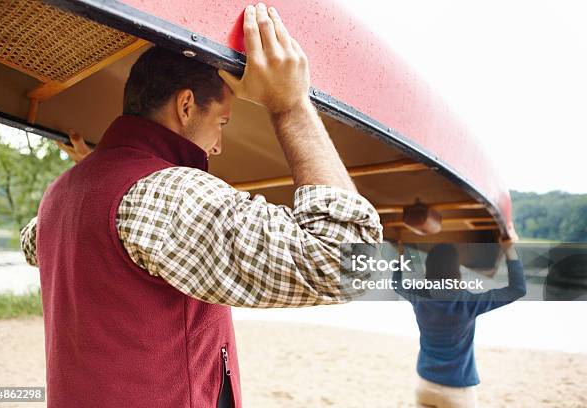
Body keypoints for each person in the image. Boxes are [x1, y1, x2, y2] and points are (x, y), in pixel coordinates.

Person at [19, 4, 382, 407]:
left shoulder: (59, 196)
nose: (219, 145)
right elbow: (347, 261)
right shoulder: (168, 194)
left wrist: (97, 167)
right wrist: (290, 105)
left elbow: (39, 244)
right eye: (222, 122)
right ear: (186, 105)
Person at [392, 238, 526, 408]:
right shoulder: (468, 302)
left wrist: (400, 256)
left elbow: (396, 284)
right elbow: (518, 289)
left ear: (429, 267)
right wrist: (509, 249)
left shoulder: (418, 296)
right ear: (456, 269)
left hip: (424, 383)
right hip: (456, 389)